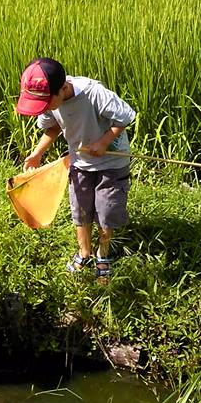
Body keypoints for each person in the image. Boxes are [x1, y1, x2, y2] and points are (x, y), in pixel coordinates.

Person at [17, 57, 136, 282]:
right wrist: (37, 153)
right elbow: (51, 128)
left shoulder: (94, 93)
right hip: (80, 161)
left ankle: (103, 254)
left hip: (111, 162)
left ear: (63, 89)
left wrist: (103, 142)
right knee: (80, 208)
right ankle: (84, 252)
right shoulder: (48, 99)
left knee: (106, 210)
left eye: (45, 104)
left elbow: (125, 116)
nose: (42, 109)